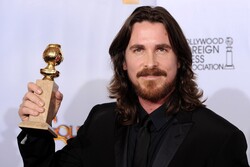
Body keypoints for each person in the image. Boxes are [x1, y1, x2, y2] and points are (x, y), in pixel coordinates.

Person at [17, 6, 249, 167]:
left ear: (179, 60)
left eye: (162, 49)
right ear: (123, 63)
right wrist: (37, 126)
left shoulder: (220, 138)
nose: (150, 63)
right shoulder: (100, 122)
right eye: (138, 50)